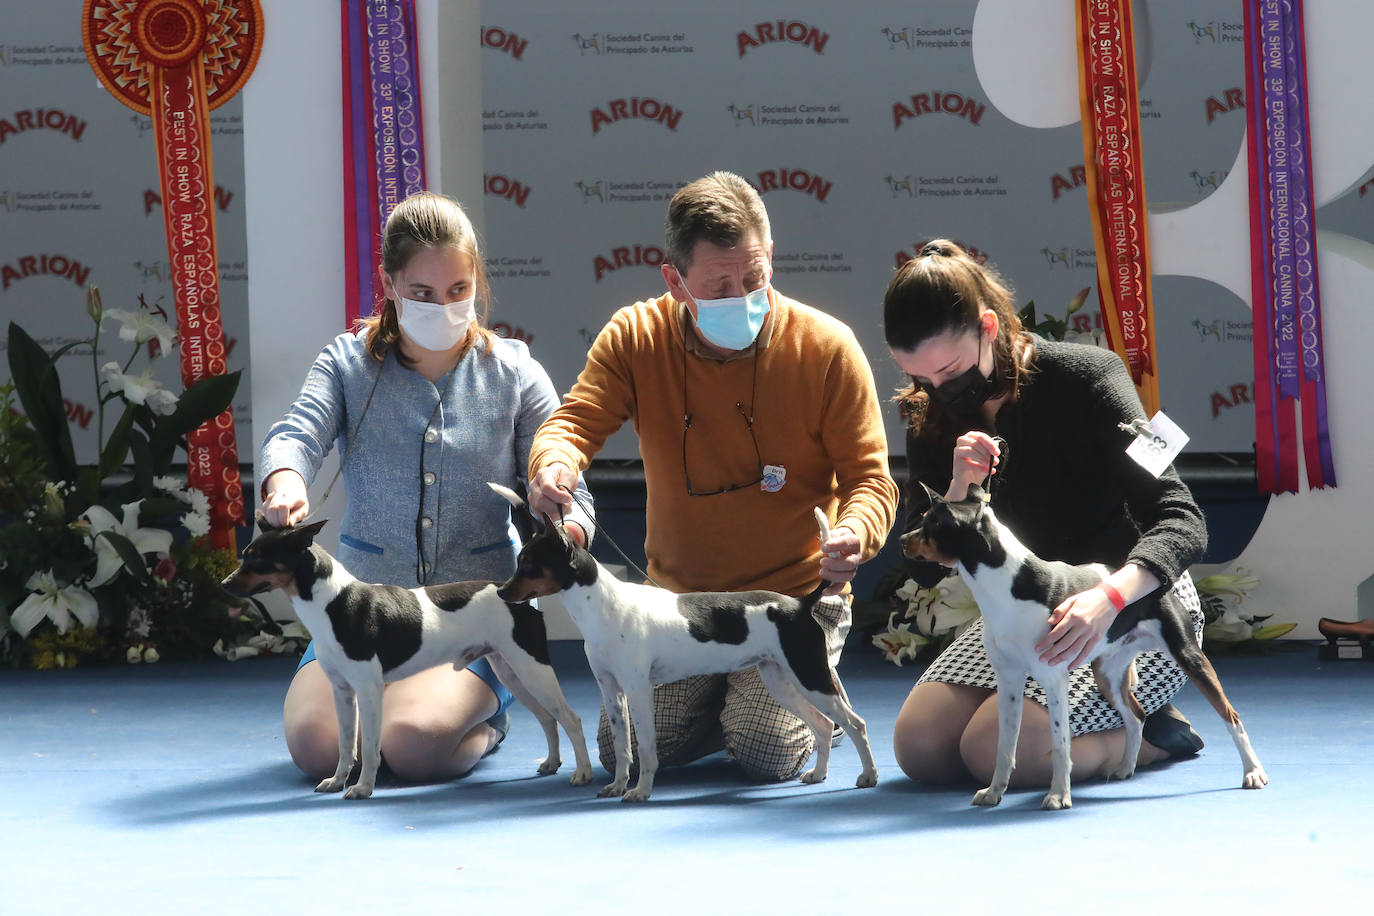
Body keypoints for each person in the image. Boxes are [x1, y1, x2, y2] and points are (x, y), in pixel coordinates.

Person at [526, 171, 899, 781]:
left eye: (755, 278)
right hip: (676, 608)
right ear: (673, 281)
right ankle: (726, 698)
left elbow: (872, 480)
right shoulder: (634, 336)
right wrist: (554, 465)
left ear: (771, 255)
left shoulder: (829, 347)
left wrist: (854, 533)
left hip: (792, 602)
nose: (744, 296)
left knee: (764, 751)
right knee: (622, 748)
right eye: (719, 286)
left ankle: (750, 707)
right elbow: (572, 423)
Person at [259, 191, 593, 784]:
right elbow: (296, 435)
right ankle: (428, 711)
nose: (443, 306)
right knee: (317, 748)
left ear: (476, 283)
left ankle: (491, 717)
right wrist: (284, 482)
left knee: (411, 747)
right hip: (358, 613)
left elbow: (574, 488)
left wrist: (560, 512)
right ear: (388, 283)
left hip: (474, 620)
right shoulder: (345, 363)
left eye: (458, 291)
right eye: (421, 293)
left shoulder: (515, 371)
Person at [883, 239, 1208, 787]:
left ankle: (1144, 738)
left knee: (992, 753)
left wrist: (1109, 597)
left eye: (951, 371)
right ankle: (1109, 726)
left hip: (1133, 602)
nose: (938, 391)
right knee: (920, 749)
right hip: (1027, 609)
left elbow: (1183, 518)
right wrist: (959, 489)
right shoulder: (930, 415)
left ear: (989, 327)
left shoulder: (1092, 376)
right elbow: (918, 566)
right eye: (922, 380)